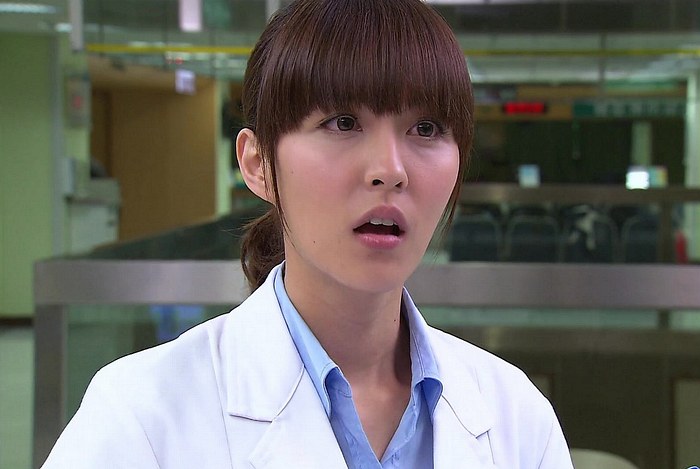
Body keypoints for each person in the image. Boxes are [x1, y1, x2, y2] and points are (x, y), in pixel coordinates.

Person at [42, 0, 573, 467]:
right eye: (343, 123)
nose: (390, 170)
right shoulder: (140, 417)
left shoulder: (516, 416)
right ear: (258, 164)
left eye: (426, 129)